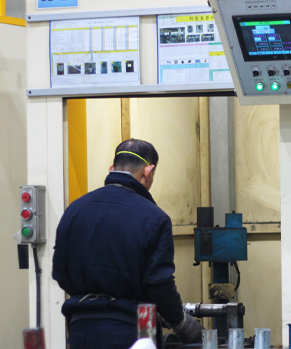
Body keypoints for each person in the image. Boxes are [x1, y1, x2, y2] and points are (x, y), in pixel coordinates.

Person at [52, 139, 203, 348]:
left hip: (80, 332)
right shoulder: (154, 218)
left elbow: (59, 273)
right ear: (148, 172)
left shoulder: (74, 210)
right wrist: (183, 324)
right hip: (136, 331)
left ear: (112, 168)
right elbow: (158, 285)